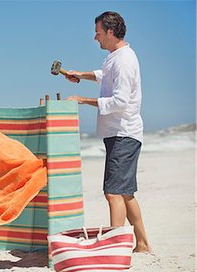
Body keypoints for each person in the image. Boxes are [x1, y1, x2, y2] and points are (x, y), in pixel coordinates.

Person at [65, 12, 151, 252]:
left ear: (110, 32)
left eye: (98, 32)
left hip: (124, 132)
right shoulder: (116, 57)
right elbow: (105, 76)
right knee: (124, 193)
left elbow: (120, 101)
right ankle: (142, 243)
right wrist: (81, 75)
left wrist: (83, 100)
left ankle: (116, 247)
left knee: (113, 192)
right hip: (120, 133)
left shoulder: (124, 60)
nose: (95, 37)